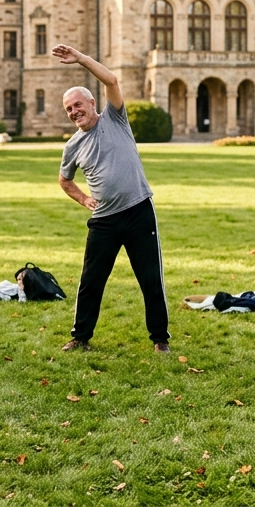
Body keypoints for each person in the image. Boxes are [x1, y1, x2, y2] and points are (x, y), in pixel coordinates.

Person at [53, 44, 169, 354]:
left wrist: (80, 58)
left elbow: (112, 81)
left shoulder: (115, 119)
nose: (75, 112)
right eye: (69, 110)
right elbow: (64, 180)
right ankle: (80, 337)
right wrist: (83, 199)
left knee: (150, 277)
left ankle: (160, 340)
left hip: (138, 211)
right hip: (104, 220)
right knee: (91, 281)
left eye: (78, 105)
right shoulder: (72, 147)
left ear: (92, 103)